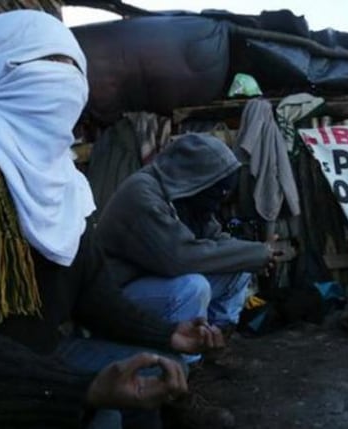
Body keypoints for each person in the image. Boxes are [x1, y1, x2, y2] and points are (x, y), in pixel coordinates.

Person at [0, 11, 226, 428]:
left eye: (73, 67)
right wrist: (78, 389)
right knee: (105, 410)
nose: (63, 80)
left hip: (39, 358)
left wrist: (169, 334)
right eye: (45, 64)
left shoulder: (65, 182)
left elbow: (94, 295)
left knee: (151, 373)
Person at [96, 134, 280, 361]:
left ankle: (215, 338)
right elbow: (179, 258)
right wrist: (255, 252)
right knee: (193, 287)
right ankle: (186, 363)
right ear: (199, 178)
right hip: (115, 297)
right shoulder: (143, 194)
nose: (220, 199)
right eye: (218, 192)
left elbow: (216, 240)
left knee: (239, 267)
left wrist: (257, 254)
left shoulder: (186, 197)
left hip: (155, 281)